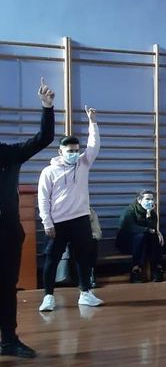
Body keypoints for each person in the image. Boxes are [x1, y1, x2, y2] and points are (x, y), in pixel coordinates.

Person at [0, 78, 55, 357]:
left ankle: (8, 340)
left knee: (7, 287)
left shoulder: (9, 153)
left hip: (7, 234)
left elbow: (43, 139)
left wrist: (47, 107)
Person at [37, 106, 103, 312]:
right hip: (57, 222)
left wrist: (92, 122)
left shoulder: (83, 164)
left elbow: (94, 146)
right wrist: (47, 222)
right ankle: (48, 296)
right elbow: (43, 198)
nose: (74, 154)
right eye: (70, 151)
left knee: (84, 256)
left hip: (81, 219)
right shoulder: (49, 172)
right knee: (52, 259)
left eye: (76, 150)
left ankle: (85, 293)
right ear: (60, 151)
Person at [116, 189, 165, 283]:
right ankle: (135, 269)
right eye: (147, 199)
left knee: (154, 238)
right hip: (128, 242)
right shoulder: (129, 211)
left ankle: (157, 268)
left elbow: (153, 229)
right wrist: (148, 230)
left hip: (146, 243)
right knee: (140, 237)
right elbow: (129, 226)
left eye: (152, 199)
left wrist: (149, 216)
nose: (150, 201)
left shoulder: (152, 213)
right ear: (139, 200)